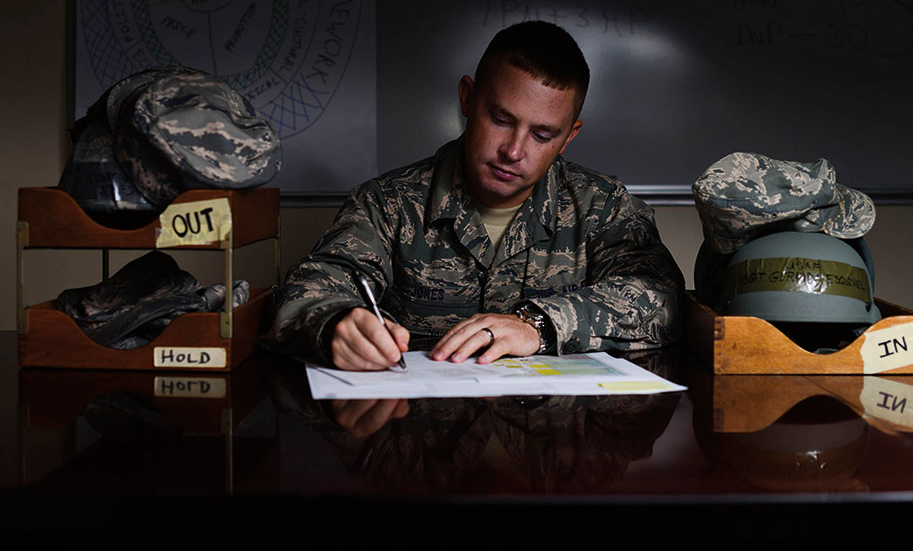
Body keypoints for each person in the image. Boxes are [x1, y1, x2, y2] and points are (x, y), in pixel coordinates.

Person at [262, 20, 684, 371]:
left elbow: (663, 299)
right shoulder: (387, 204)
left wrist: (540, 325)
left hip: (550, 449)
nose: (514, 151)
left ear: (568, 137)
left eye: (542, 135)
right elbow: (309, 289)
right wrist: (337, 322)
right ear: (467, 98)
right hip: (418, 444)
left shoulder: (602, 207)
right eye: (500, 119)